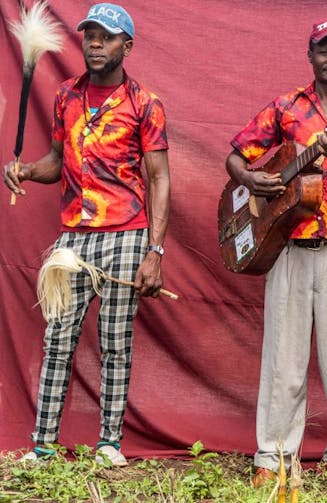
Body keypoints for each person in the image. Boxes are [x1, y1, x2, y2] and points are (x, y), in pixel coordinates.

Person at [225, 18, 327, 486]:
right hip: (287, 244)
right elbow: (236, 153)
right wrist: (249, 179)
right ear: (311, 54)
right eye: (324, 50)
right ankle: (272, 458)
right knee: (282, 358)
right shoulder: (286, 106)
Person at [3, 3, 170, 466]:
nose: (95, 43)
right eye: (90, 35)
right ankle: (42, 445)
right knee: (58, 338)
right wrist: (26, 170)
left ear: (127, 46)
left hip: (127, 234)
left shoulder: (145, 103)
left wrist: (154, 251)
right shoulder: (65, 96)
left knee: (116, 343)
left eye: (107, 36)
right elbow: (57, 161)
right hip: (73, 238)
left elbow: (159, 178)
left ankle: (109, 443)